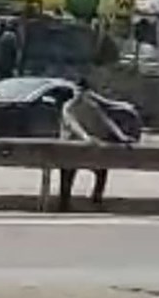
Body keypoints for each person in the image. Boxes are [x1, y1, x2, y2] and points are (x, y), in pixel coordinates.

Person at [56, 78, 135, 212]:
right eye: (77, 91)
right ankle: (64, 203)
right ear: (74, 91)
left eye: (83, 92)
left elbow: (106, 121)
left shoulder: (92, 105)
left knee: (102, 170)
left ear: (88, 93)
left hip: (89, 147)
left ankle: (96, 200)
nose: (79, 94)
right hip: (70, 146)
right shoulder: (68, 106)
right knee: (67, 174)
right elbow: (73, 124)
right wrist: (85, 137)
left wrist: (121, 136)